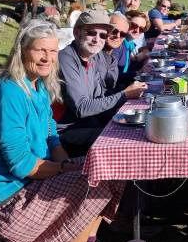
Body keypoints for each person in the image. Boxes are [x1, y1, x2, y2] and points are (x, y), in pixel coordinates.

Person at [0, 20, 125, 242]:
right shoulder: (9, 93)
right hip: (6, 201)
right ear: (22, 51)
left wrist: (67, 163)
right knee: (93, 181)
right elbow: (22, 165)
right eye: (39, 50)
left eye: (53, 51)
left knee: (108, 168)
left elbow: (51, 132)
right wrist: (66, 169)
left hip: (31, 181)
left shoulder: (38, 84)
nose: (48, 58)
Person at [57, 10, 147, 156]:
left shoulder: (92, 57)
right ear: (76, 32)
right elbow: (82, 108)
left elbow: (100, 97)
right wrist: (124, 95)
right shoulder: (67, 57)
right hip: (68, 131)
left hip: (90, 122)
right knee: (127, 140)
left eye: (103, 35)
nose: (97, 39)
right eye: (91, 33)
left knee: (138, 128)